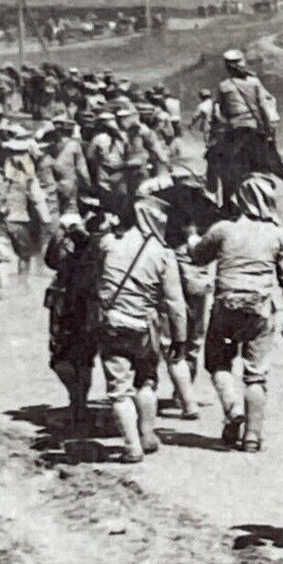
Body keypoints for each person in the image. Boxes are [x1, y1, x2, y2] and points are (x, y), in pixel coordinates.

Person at [188, 174, 283, 453]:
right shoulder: (278, 235)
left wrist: (192, 237)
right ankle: (252, 436)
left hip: (226, 305)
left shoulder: (223, 229)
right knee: (256, 376)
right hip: (260, 308)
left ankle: (232, 407)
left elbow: (198, 256)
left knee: (218, 363)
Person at [96, 197, 188, 463]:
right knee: (146, 381)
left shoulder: (108, 243)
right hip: (146, 328)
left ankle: (132, 446)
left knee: (119, 389)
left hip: (113, 323)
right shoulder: (162, 253)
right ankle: (148, 435)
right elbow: (175, 302)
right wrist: (180, 338)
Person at [138, 165, 222, 401]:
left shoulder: (161, 200)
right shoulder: (208, 205)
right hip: (197, 269)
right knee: (195, 331)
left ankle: (161, 382)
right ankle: (183, 388)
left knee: (167, 329)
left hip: (167, 265)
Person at [45, 199, 108, 435]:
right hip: (78, 304)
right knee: (80, 358)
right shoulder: (92, 238)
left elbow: (55, 260)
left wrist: (69, 234)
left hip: (76, 305)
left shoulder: (100, 240)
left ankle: (78, 404)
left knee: (68, 356)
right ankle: (78, 403)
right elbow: (52, 260)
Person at [208, 49, 283, 202]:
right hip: (255, 130)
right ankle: (277, 169)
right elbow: (264, 106)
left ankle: (213, 187)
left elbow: (219, 113)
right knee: (268, 155)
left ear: (227, 67)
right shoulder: (255, 82)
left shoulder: (223, 86)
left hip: (234, 131)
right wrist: (269, 131)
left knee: (214, 157)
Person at [0, 137, 48, 281]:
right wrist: (46, 219)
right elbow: (36, 196)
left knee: (2, 256)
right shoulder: (28, 175)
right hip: (20, 219)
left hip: (0, 219)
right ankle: (22, 286)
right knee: (25, 255)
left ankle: (4, 290)